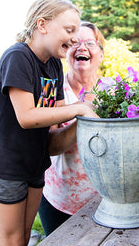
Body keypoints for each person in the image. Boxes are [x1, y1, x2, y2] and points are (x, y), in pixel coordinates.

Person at [0, 0, 98, 246]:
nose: (75, 38)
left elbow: (53, 108)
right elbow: (27, 116)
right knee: (11, 241)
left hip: (34, 162)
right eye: (69, 30)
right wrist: (80, 108)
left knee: (23, 237)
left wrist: (91, 107)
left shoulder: (53, 65)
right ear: (42, 25)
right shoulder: (18, 57)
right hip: (5, 167)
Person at [38, 21, 105, 236]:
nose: (82, 47)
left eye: (90, 43)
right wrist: (84, 115)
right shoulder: (50, 89)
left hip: (105, 200)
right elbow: (48, 145)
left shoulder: (115, 92)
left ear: (101, 55)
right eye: (75, 42)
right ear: (66, 52)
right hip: (59, 199)